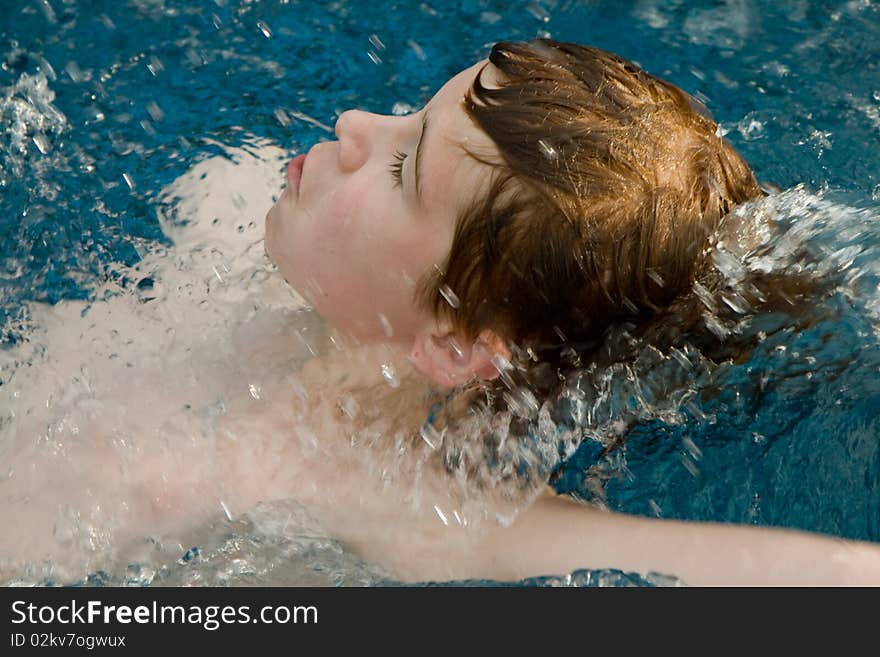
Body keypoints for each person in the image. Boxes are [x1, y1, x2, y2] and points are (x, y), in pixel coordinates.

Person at [262, 38, 880, 585]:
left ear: (460, 344)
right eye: (413, 116)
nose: (352, 124)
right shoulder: (237, 195)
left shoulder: (427, 512)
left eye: (402, 170)